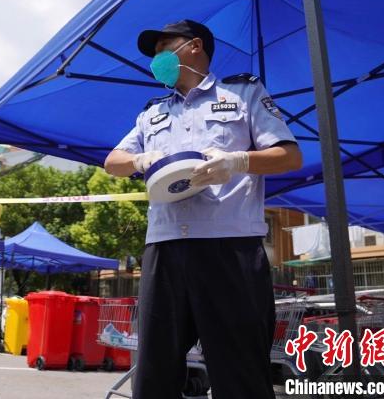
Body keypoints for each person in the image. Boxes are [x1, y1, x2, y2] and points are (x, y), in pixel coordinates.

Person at [104, 20, 302, 399]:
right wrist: (140, 160)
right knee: (154, 375)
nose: (158, 58)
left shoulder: (243, 93)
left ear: (195, 46)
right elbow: (113, 161)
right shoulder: (152, 113)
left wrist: (238, 162)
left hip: (230, 248)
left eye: (165, 47)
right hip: (164, 248)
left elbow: (289, 156)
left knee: (240, 372)